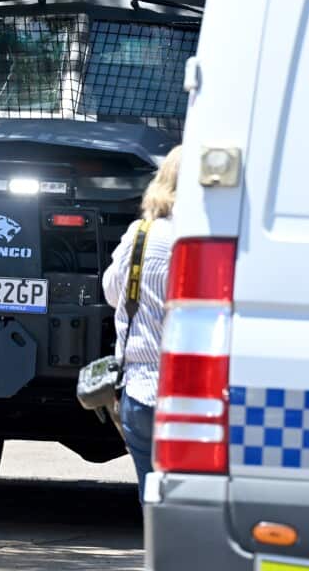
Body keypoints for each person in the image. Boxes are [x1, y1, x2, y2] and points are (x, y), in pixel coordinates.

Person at [101, 145, 181, 499]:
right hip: (188, 397)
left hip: (137, 391)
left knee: (152, 498)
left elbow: (111, 293)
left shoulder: (140, 233)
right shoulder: (200, 240)